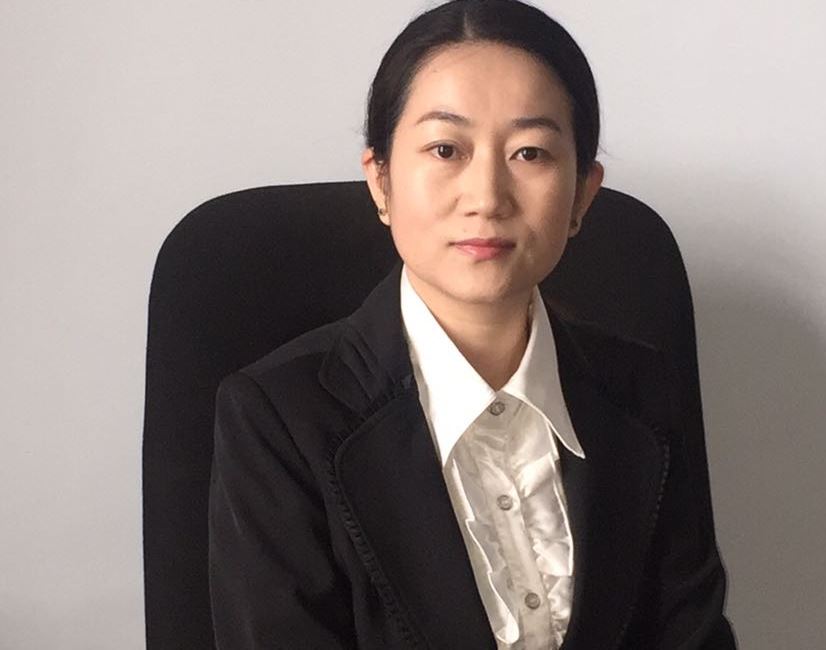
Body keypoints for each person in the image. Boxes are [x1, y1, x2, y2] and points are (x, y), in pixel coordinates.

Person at [207, 0, 736, 648]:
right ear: (380, 180)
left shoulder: (643, 391)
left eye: (530, 153)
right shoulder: (278, 422)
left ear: (582, 194)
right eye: (445, 149)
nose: (486, 197)